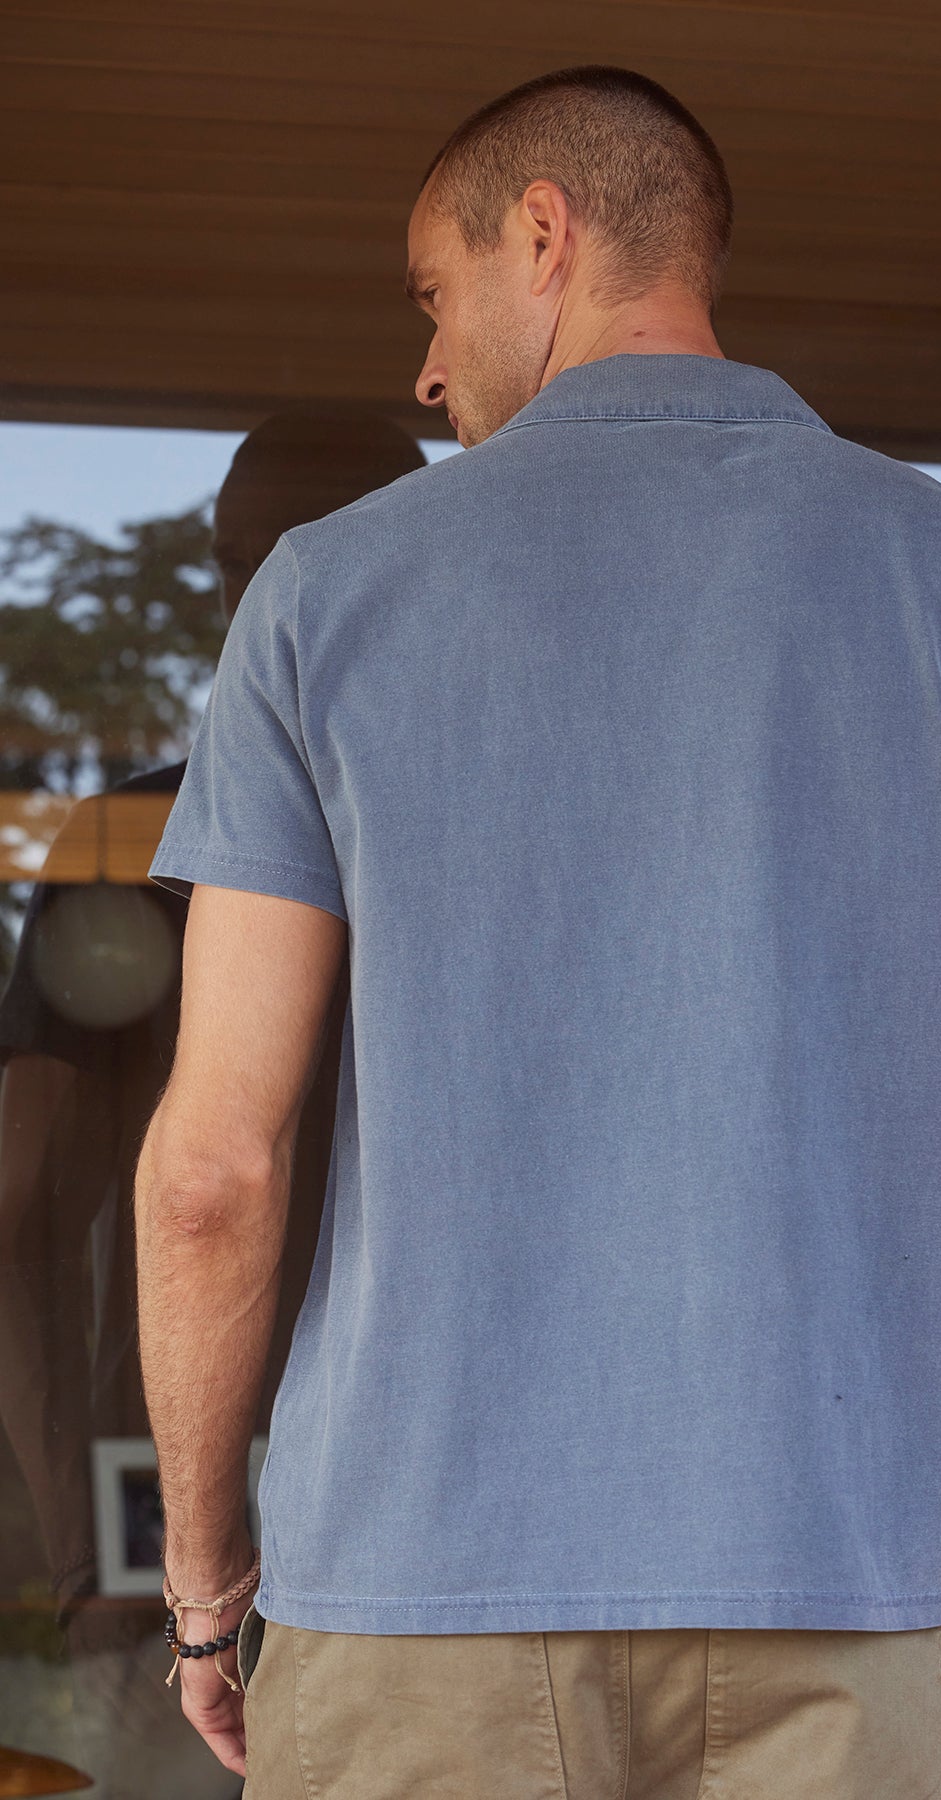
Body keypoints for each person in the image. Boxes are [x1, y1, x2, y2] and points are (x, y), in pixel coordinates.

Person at [137, 64, 941, 1800]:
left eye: (434, 297)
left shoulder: (320, 597)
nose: (426, 367)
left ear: (546, 237)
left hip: (406, 1610)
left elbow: (213, 1173)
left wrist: (210, 1586)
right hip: (849, 1610)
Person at [0, 405, 424, 1799]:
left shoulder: (472, 841)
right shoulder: (132, 846)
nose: (271, 597)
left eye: (300, 554)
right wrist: (91, 1550)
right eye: (246, 562)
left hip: (408, 1546)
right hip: (187, 1530)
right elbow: (18, 1217)